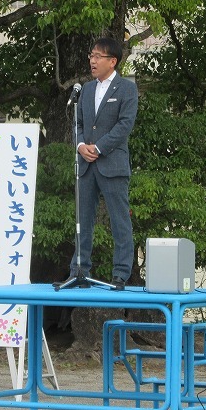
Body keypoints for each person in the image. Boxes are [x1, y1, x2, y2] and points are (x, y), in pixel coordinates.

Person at [66, 36, 138, 290]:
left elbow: (124, 125)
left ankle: (120, 274)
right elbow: (79, 123)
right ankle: (79, 270)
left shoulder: (127, 88)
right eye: (91, 56)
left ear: (113, 61)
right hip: (86, 164)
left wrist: (98, 146)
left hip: (112, 164)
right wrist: (80, 145)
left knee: (120, 220)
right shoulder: (85, 89)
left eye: (98, 57)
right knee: (82, 220)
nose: (93, 61)